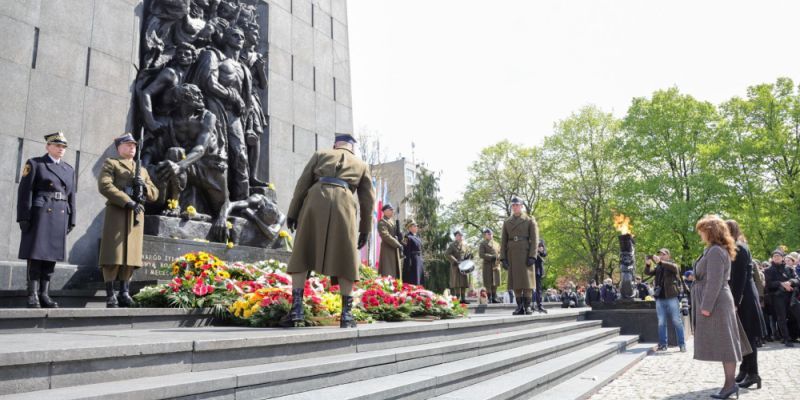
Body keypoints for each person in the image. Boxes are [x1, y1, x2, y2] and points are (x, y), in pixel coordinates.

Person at [283, 133, 375, 328]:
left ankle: (297, 310)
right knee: (346, 258)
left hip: (316, 199)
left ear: (335, 145)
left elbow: (302, 185)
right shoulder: (361, 165)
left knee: (302, 252)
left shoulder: (320, 154)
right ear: (353, 148)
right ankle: (346, 316)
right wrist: (365, 230)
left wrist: (292, 213)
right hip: (345, 203)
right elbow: (368, 202)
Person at [692, 215, 750, 400]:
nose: (700, 234)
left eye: (702, 231)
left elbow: (715, 281)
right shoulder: (714, 250)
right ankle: (729, 384)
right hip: (718, 301)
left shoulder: (716, 251)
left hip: (716, 302)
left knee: (726, 345)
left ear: (710, 232)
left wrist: (706, 306)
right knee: (726, 344)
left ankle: (730, 385)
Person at [98, 133, 159, 308]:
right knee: (113, 255)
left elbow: (155, 194)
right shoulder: (112, 163)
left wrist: (144, 186)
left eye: (134, 145)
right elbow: (105, 185)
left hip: (136, 215)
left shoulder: (143, 170)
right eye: (128, 145)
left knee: (130, 256)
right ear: (119, 148)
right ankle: (111, 294)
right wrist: (128, 201)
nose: (132, 148)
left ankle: (124, 292)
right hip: (118, 212)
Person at [16, 132, 76, 308]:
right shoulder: (35, 164)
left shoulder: (69, 169)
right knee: (36, 255)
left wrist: (72, 218)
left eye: (63, 147)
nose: (60, 150)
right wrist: (23, 216)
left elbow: (71, 195)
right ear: (48, 146)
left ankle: (45, 294)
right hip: (41, 212)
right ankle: (33, 294)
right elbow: (24, 192)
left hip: (60, 213)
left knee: (51, 256)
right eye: (57, 146)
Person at [725, 220, 765, 390]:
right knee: (743, 336)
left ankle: (753, 373)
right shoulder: (739, 245)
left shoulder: (739, 248)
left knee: (748, 337)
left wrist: (735, 300)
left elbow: (740, 276)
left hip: (745, 296)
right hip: (745, 294)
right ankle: (745, 369)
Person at [500, 196, 539, 315]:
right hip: (512, 253)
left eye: (517, 205)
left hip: (526, 252)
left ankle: (527, 306)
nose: (515, 207)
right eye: (513, 205)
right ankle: (519, 306)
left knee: (527, 282)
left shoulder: (529, 220)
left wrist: (533, 255)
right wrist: (503, 258)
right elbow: (503, 241)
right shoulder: (507, 222)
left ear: (521, 206)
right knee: (516, 282)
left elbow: (535, 239)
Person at [644, 248, 687, 352]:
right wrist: (648, 264)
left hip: (672, 296)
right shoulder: (659, 266)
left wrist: (661, 262)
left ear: (669, 256)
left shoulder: (673, 264)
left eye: (663, 254)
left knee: (676, 321)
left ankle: (682, 344)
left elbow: (674, 268)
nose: (661, 256)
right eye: (660, 254)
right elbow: (648, 273)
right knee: (661, 322)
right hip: (660, 298)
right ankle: (663, 345)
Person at [764, 249, 800, 346]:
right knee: (782, 318)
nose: (776, 258)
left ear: (782, 257)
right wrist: (782, 284)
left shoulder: (789, 268)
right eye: (775, 256)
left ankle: (794, 336)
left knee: (797, 314)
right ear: (772, 258)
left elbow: (797, 280)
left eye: (778, 256)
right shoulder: (768, 270)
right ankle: (786, 338)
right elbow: (769, 284)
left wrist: (790, 282)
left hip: (791, 296)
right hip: (778, 297)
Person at [445, 231, 472, 304]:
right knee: (457, 283)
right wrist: (455, 261)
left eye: (461, 235)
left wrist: (468, 257)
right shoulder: (452, 245)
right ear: (455, 237)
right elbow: (447, 254)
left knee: (463, 283)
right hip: (456, 266)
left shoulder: (465, 245)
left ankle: (463, 299)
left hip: (464, 266)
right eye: (458, 235)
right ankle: (457, 299)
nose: (460, 237)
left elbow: (467, 254)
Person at [377, 204, 402, 278]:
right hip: (387, 250)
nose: (392, 212)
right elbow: (385, 236)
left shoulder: (392, 221)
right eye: (391, 210)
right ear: (385, 211)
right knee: (388, 272)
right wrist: (398, 244)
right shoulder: (382, 222)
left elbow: (395, 234)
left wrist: (399, 234)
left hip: (394, 249)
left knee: (395, 273)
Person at [478, 228, 502, 304]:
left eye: (491, 233)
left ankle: (494, 297)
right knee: (488, 282)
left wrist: (499, 257)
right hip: (487, 265)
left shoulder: (497, 244)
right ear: (485, 235)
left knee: (495, 281)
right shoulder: (483, 243)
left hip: (496, 265)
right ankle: (490, 297)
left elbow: (500, 252)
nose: (490, 235)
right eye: (488, 234)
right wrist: (491, 257)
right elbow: (481, 254)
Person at [402, 220, 424, 286]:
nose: (416, 227)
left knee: (419, 278)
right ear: (410, 228)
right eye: (414, 226)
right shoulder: (406, 237)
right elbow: (405, 250)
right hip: (412, 260)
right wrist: (408, 262)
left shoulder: (417, 237)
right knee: (413, 279)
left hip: (418, 260)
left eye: (416, 226)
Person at [533, 239, 548, 313]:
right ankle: (531, 305)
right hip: (530, 268)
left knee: (538, 289)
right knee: (531, 289)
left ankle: (540, 306)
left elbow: (545, 253)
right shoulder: (530, 240)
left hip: (538, 270)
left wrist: (540, 250)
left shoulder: (541, 241)